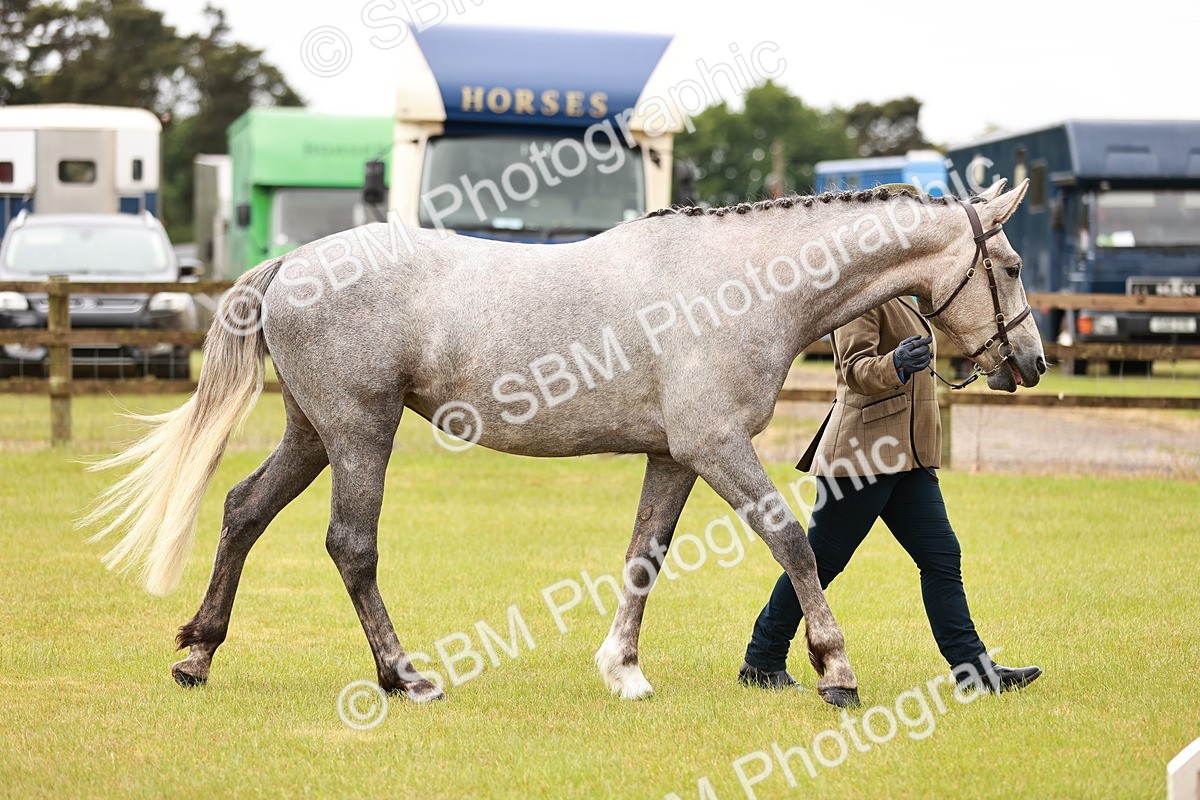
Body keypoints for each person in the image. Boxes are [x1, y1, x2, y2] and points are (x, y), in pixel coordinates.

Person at [738, 297, 1042, 694]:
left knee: (941, 556)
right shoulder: (861, 298)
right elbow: (853, 370)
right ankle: (762, 659)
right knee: (820, 563)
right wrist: (895, 364)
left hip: (909, 459)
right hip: (863, 457)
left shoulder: (906, 295)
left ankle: (974, 671)